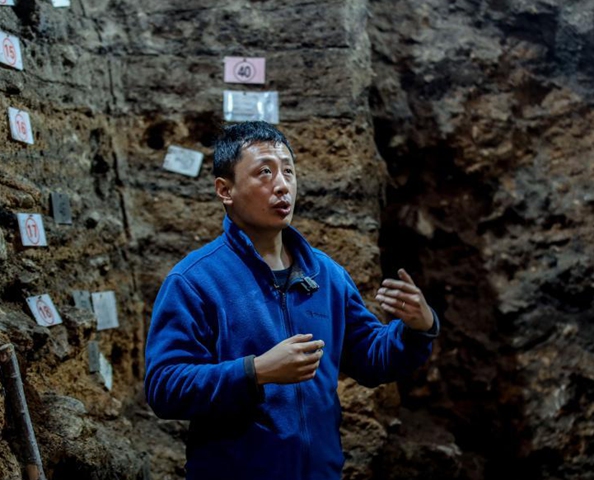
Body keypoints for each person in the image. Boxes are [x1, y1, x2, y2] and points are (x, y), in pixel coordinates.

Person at [144, 121, 440, 480]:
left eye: (288, 171)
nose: (282, 185)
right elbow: (165, 386)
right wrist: (256, 372)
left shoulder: (326, 275)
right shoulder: (195, 281)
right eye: (264, 172)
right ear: (225, 189)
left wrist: (417, 329)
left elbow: (371, 359)